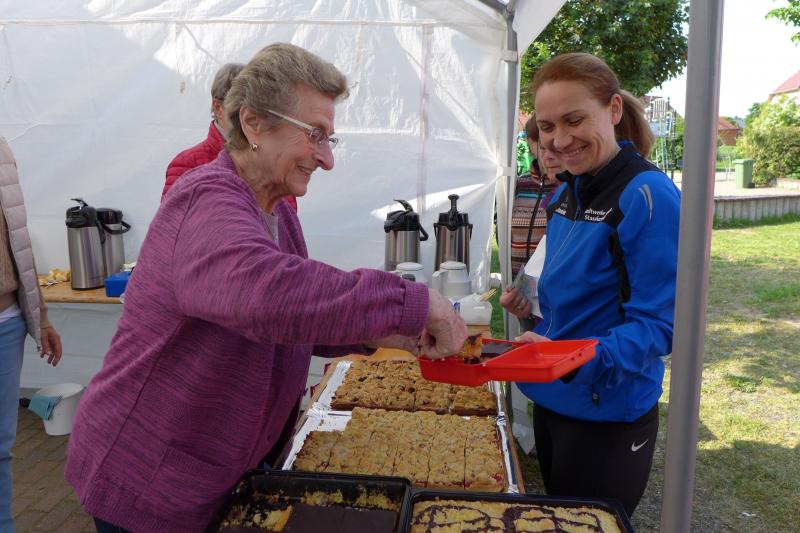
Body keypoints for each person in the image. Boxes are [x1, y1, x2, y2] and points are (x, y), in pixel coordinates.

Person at [65, 43, 468, 532]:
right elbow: (265, 296)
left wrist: (386, 334)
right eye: (314, 135)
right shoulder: (204, 200)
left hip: (218, 469)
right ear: (253, 123)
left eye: (329, 139)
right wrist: (414, 303)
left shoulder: (275, 211)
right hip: (149, 478)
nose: (326, 159)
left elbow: (294, 318)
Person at [514, 52, 680, 517]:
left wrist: (571, 359)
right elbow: (572, 294)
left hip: (607, 413)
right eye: (547, 127)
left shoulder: (647, 195)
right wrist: (531, 308)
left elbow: (661, 326)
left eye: (574, 120)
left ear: (614, 109)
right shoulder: (568, 190)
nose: (559, 140)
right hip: (553, 396)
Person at [0, 137, 63, 532]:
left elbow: (18, 243)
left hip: (6, 322)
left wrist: (40, 317)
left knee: (0, 450)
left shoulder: (1, 150)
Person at [161, 63, 299, 211]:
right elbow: (173, 221)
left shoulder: (272, 159)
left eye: (257, 108)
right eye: (239, 108)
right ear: (218, 108)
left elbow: (288, 219)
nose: (250, 116)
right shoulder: (187, 164)